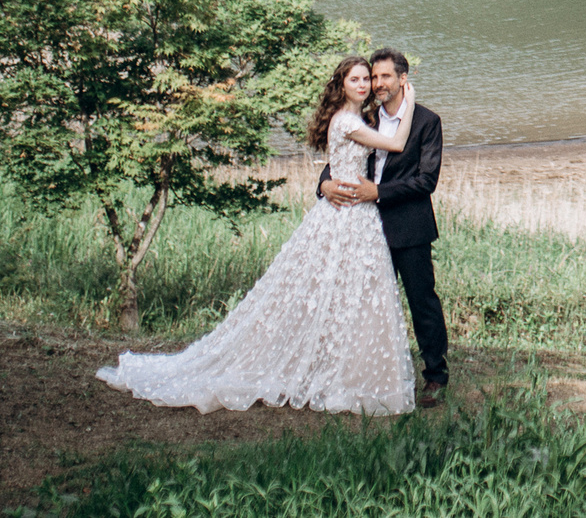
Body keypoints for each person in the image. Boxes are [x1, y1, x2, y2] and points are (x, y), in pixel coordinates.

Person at [95, 56, 415, 414]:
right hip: (345, 215)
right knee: (329, 289)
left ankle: (343, 368)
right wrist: (410, 99)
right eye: (355, 79)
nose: (363, 85)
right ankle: (327, 369)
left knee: (350, 292)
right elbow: (398, 143)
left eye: (366, 79)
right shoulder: (345, 120)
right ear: (341, 84)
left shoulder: (357, 119)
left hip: (358, 214)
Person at [317, 46, 448, 405]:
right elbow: (340, 158)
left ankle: (435, 376)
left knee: (421, 299)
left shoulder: (426, 122)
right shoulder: (365, 118)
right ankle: (366, 371)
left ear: (403, 79)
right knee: (363, 303)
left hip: (407, 225)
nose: (377, 84)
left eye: (385, 76)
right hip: (361, 227)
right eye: (373, 77)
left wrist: (378, 192)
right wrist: (324, 185)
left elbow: (426, 181)